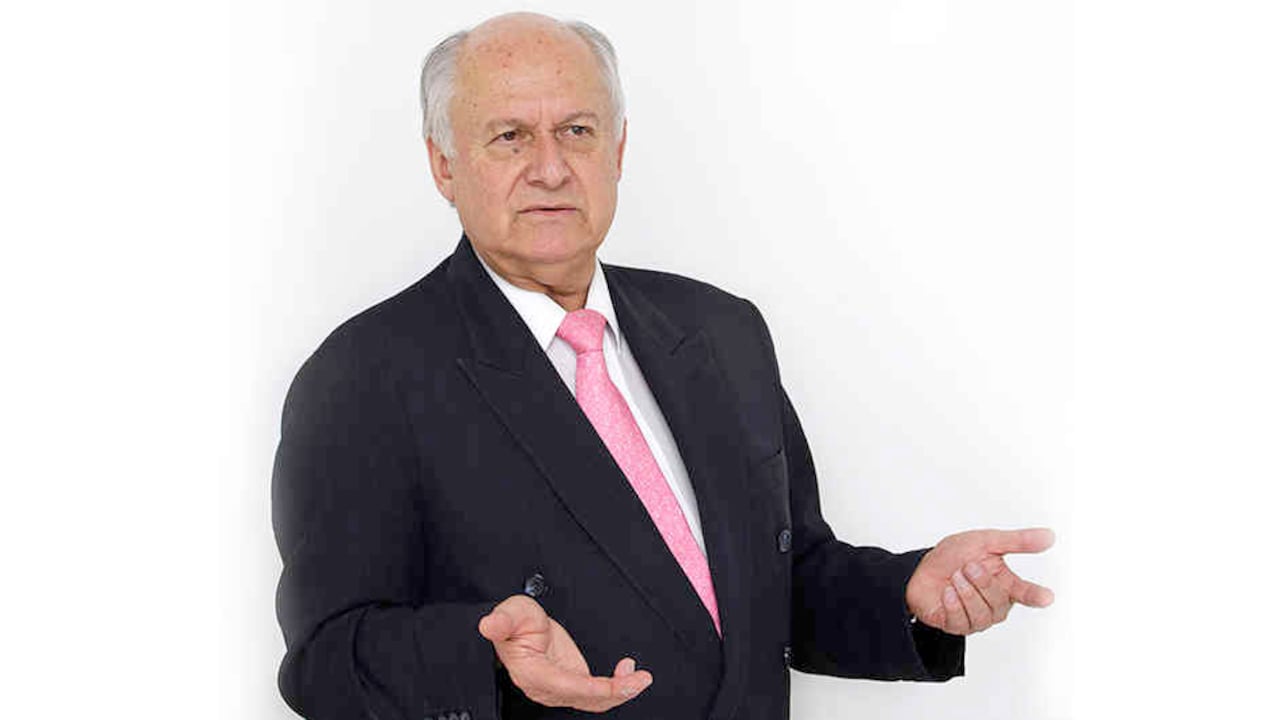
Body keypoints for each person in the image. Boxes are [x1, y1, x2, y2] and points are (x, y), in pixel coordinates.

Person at [271, 12, 1055, 720]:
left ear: (617, 149)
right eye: (509, 136)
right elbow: (325, 664)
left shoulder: (722, 332)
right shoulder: (364, 378)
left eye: (577, 130)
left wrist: (908, 595)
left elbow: (777, 591)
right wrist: (487, 660)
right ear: (444, 164)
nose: (550, 168)